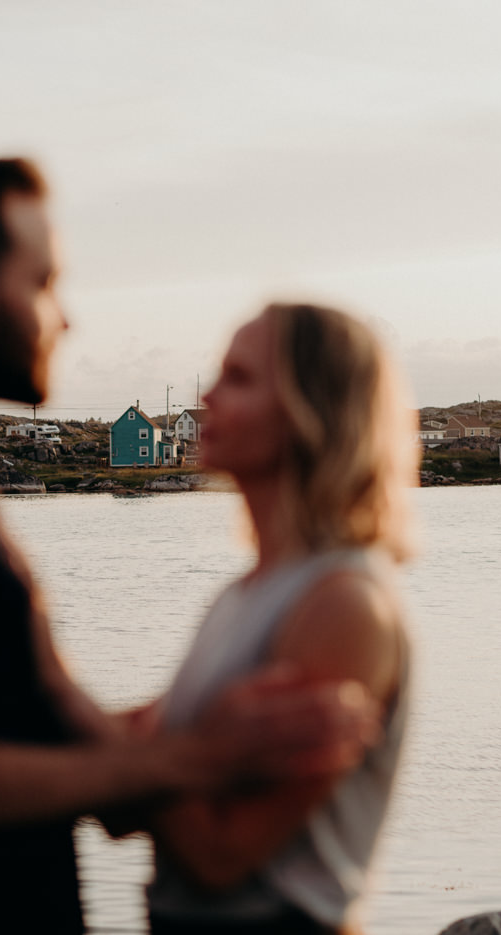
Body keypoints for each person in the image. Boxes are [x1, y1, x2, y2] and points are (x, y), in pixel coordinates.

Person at [0, 160, 383, 933]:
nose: (63, 318)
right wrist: (192, 759)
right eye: (43, 283)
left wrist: (154, 744)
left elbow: (38, 706)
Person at [143, 302, 416, 935]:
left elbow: (222, 854)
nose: (207, 397)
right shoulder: (245, 594)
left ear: (307, 409)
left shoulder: (345, 604)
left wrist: (139, 754)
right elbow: (169, 760)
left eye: (238, 379)